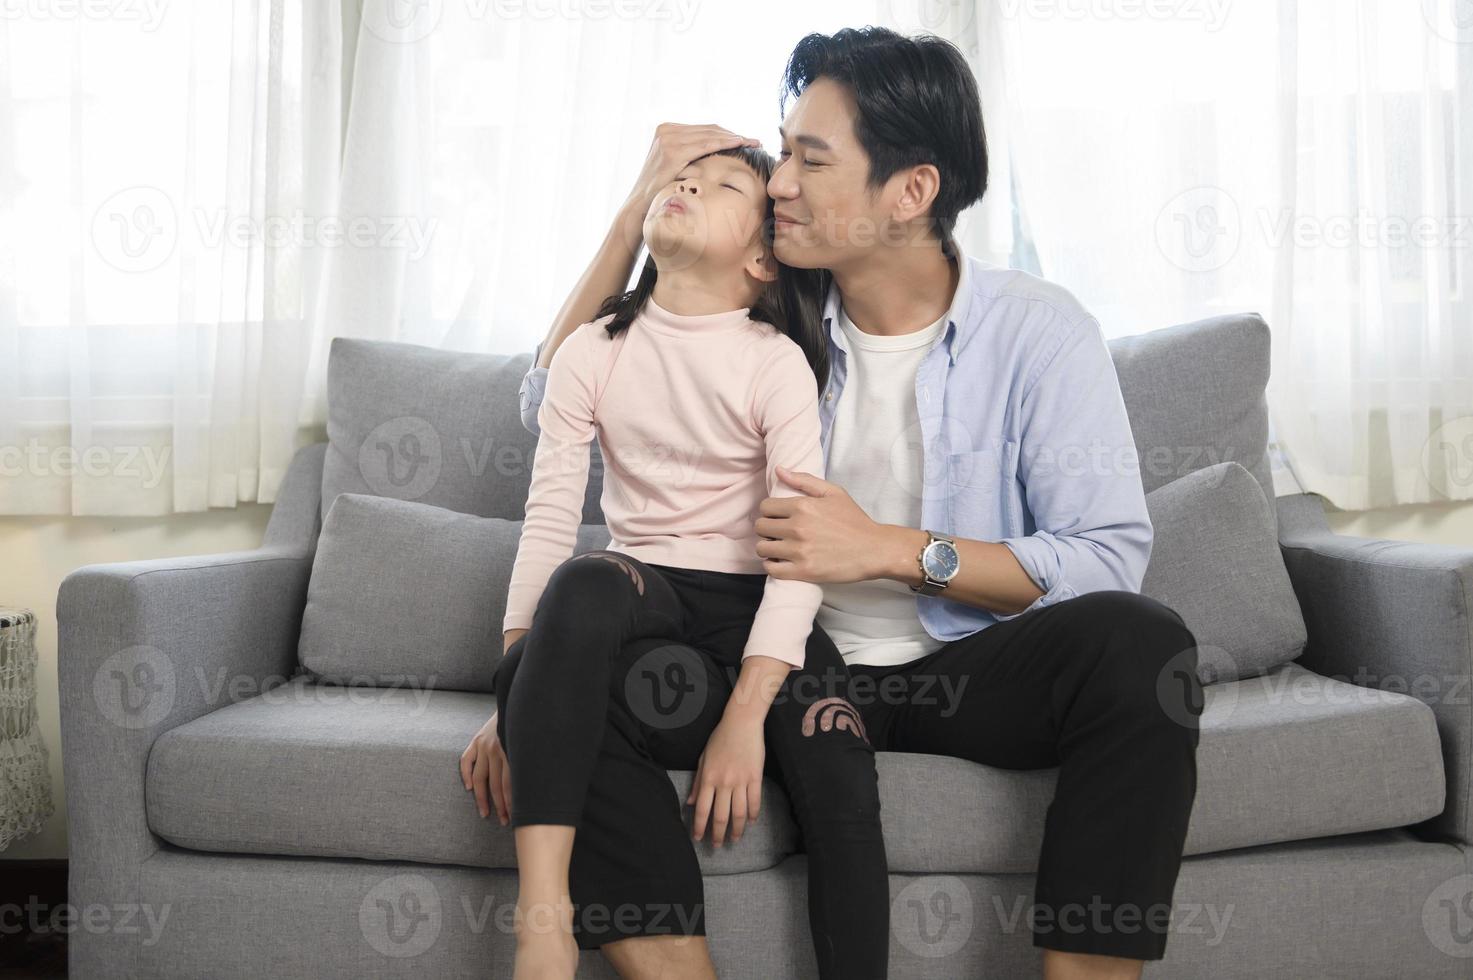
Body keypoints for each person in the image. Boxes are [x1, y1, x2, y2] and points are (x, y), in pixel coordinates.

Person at [518, 27, 1204, 980]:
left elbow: (1103, 560)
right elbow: (547, 400)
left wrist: (891, 550)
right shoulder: (767, 307)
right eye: (782, 149)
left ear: (910, 192)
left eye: (811, 157)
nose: (780, 183)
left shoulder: (1037, 333)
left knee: (1142, 643)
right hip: (777, 660)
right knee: (589, 677)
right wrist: (637, 209)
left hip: (964, 673)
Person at [460, 139, 889, 980]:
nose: (688, 181)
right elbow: (549, 517)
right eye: (681, 176)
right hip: (642, 592)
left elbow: (799, 555)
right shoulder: (592, 349)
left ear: (763, 256)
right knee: (582, 575)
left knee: (839, 763)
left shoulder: (777, 364)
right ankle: (543, 921)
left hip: (755, 602)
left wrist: (741, 721)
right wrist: (526, 686)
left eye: (726, 184)